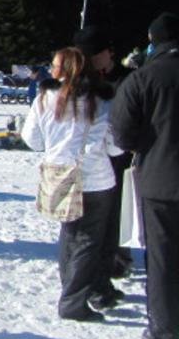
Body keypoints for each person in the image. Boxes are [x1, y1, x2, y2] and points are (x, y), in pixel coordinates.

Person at [111, 13, 179, 339]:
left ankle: (164, 330)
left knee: (162, 255)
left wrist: (144, 145)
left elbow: (121, 132)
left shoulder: (142, 79)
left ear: (154, 41)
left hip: (159, 178)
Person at [21, 46, 121, 322]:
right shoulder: (101, 101)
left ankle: (70, 290)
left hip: (58, 172)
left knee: (68, 233)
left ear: (60, 69)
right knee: (89, 241)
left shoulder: (44, 98)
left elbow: (31, 138)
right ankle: (73, 299)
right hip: (95, 178)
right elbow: (113, 147)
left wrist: (53, 149)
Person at [74, 25, 135, 285]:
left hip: (121, 156)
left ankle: (117, 257)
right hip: (90, 160)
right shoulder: (81, 81)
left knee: (119, 213)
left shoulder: (129, 78)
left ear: (108, 53)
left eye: (94, 55)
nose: (89, 61)